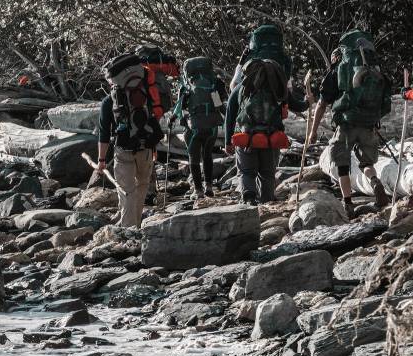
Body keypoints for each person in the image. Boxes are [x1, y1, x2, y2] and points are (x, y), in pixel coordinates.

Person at [306, 30, 392, 212]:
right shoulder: (373, 69)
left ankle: (348, 203)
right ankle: (375, 182)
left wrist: (313, 132)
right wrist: (373, 118)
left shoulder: (337, 71)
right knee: (367, 164)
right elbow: (384, 101)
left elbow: (321, 104)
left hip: (346, 125)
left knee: (342, 166)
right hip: (369, 124)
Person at [97, 52, 166, 227]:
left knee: (126, 191)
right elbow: (158, 113)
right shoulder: (147, 93)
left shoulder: (108, 102)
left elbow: (104, 133)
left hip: (124, 149)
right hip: (146, 147)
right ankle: (132, 222)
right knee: (142, 186)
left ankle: (129, 229)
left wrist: (101, 160)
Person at [225, 58, 307, 205]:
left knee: (246, 172)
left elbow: (230, 115)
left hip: (246, 138)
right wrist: (308, 101)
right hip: (271, 139)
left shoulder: (241, 88)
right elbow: (299, 106)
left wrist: (227, 142)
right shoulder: (278, 89)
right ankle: (267, 203)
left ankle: (249, 199)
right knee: (267, 174)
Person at [173, 56, 228, 203]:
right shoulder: (213, 85)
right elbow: (218, 105)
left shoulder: (186, 86)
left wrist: (173, 119)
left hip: (193, 128)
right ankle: (209, 187)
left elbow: (179, 109)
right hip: (211, 127)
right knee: (207, 155)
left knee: (194, 158)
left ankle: (198, 191)